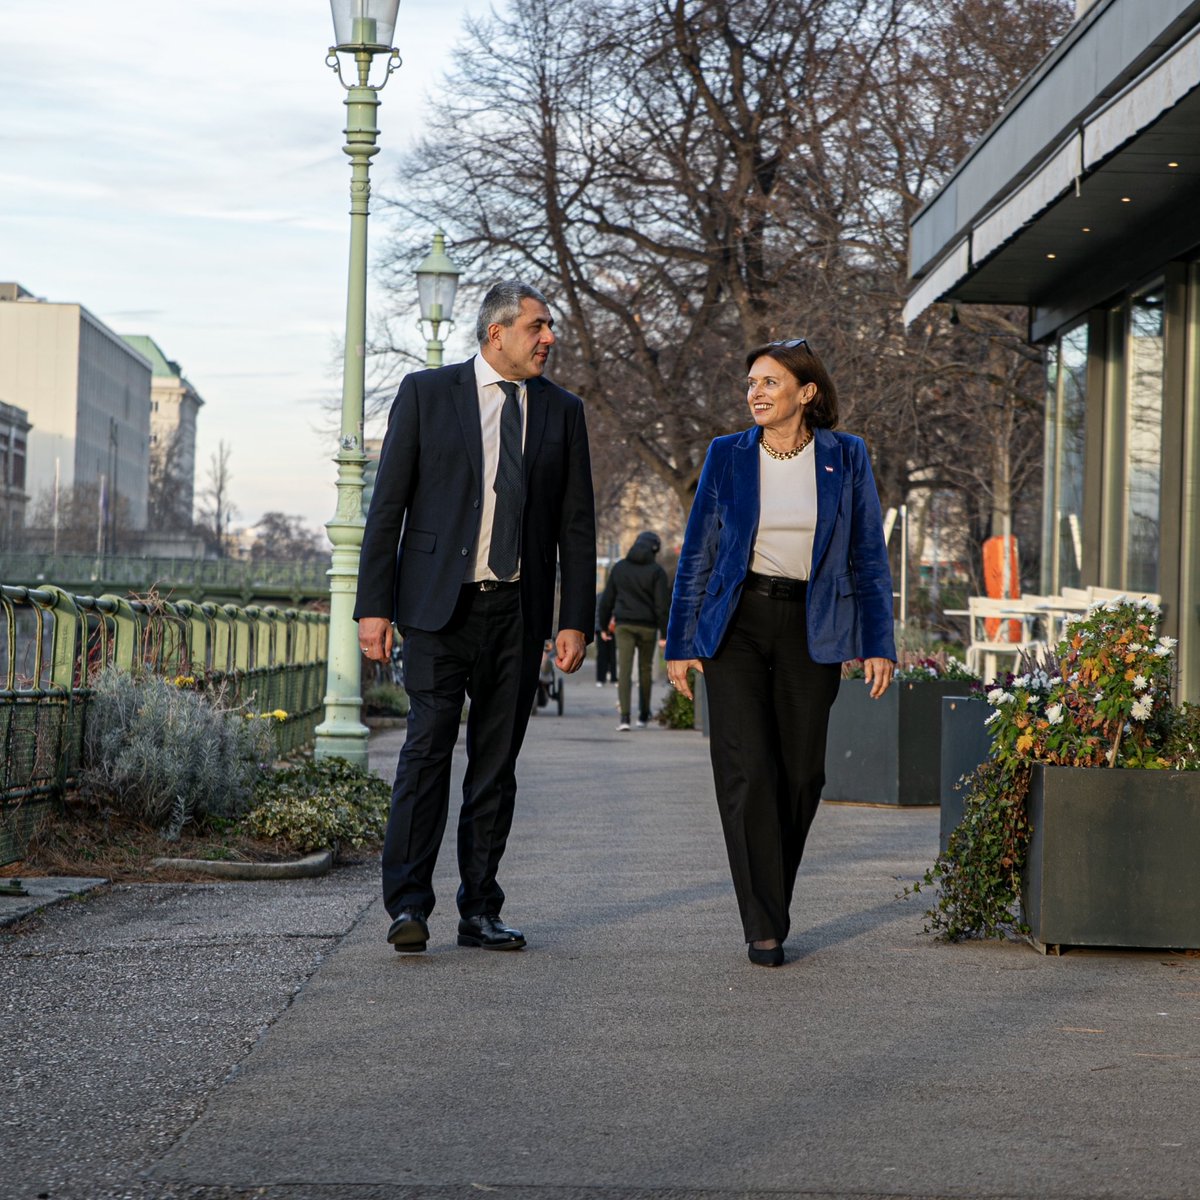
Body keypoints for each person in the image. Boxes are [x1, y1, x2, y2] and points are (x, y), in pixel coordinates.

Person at [355, 280, 596, 955]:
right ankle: (407, 904)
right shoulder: (427, 395)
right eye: (538, 327)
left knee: (496, 764)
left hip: (517, 613)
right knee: (427, 751)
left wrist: (574, 617)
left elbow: (578, 525)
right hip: (439, 609)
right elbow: (388, 508)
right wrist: (375, 607)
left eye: (548, 328)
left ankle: (480, 909)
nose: (549, 339)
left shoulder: (563, 412)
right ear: (498, 334)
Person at [665, 339, 895, 968]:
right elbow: (697, 555)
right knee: (748, 772)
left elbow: (868, 557)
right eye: (750, 383)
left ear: (806, 392)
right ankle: (763, 925)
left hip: (812, 627)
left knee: (800, 775)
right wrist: (682, 641)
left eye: (769, 382)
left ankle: (770, 895)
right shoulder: (727, 456)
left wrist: (878, 641)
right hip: (736, 624)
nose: (756, 393)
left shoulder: (845, 457)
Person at [598, 531, 670, 730]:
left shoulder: (620, 568)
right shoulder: (657, 572)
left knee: (625, 670)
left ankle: (624, 718)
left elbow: (607, 600)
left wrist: (604, 627)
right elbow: (662, 606)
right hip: (648, 626)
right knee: (645, 670)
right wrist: (664, 634)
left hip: (624, 625)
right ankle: (644, 715)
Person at [593, 593, 617, 687]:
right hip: (602, 629)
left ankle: (611, 678)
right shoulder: (601, 597)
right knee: (603, 655)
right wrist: (601, 629)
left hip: (611, 629)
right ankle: (601, 678)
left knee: (611, 654)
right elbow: (596, 614)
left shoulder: (615, 596)